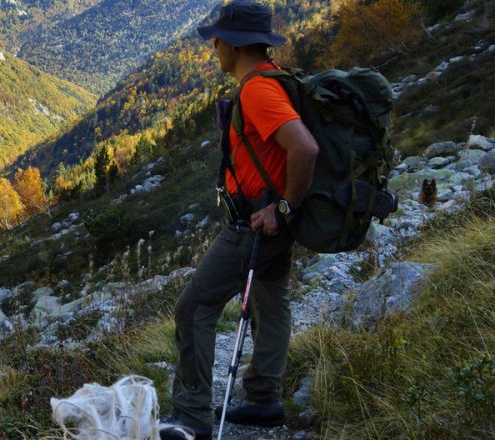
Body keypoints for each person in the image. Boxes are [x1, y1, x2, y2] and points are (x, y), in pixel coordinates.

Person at [161, 2, 319, 439]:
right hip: (271, 223)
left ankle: (191, 417)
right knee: (272, 305)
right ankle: (264, 401)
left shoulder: (257, 91)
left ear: (232, 44)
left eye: (217, 40)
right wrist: (284, 211)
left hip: (254, 224)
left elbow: (304, 148)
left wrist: (282, 207)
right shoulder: (269, 81)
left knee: (194, 308)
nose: (214, 47)